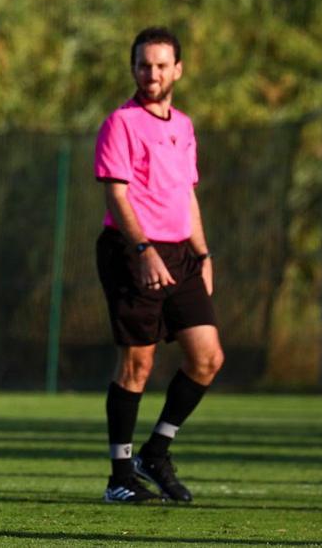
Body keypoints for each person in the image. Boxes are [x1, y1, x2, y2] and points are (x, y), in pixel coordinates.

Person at [94, 27, 225, 504]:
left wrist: (204, 255)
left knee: (208, 357)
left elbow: (187, 193)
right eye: (144, 65)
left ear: (178, 70)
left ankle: (157, 450)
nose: (152, 73)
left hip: (182, 255)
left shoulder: (184, 125)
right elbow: (116, 191)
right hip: (132, 251)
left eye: (162, 65)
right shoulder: (121, 122)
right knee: (138, 363)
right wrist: (143, 249)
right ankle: (119, 475)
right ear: (133, 69)